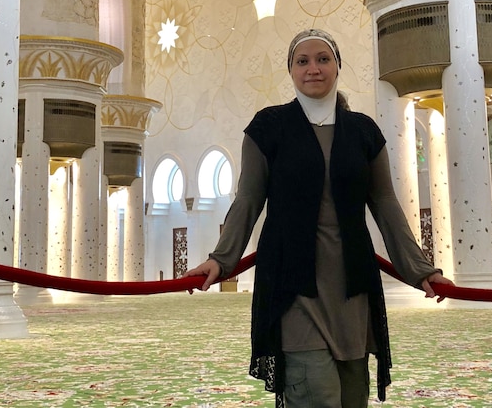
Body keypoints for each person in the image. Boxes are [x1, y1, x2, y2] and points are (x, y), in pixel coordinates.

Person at [185, 28, 454, 408]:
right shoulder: (269, 127)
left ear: (338, 67)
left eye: (323, 59)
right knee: (315, 393)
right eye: (303, 61)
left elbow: (386, 204)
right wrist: (222, 259)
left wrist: (420, 269)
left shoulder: (363, 131)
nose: (314, 68)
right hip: (293, 284)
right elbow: (247, 200)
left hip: (351, 286)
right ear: (291, 70)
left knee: (351, 397)